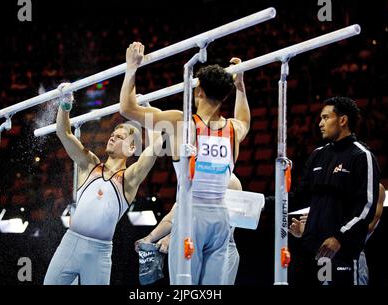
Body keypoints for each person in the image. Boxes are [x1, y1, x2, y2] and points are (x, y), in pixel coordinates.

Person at [120, 42, 250, 284]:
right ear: (225, 95)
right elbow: (244, 119)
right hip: (222, 218)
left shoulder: (181, 123)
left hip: (192, 216)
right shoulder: (234, 128)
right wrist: (240, 86)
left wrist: (131, 69)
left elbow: (127, 107)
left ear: (197, 90)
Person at [43, 83, 164, 285]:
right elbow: (64, 133)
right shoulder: (89, 164)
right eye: (112, 135)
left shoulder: (129, 178)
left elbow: (156, 146)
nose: (112, 137)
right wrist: (65, 105)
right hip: (70, 244)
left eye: (120, 137)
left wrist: (146, 112)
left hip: (99, 253)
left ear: (132, 147)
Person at [286, 96, 380, 285]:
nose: (320, 123)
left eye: (325, 117)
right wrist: (265, 203)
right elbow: (299, 197)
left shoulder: (362, 156)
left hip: (344, 252)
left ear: (343, 120)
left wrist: (339, 238)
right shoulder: (318, 155)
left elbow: (366, 207)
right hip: (320, 253)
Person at [134, 173, 243, 285]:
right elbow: (173, 216)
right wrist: (149, 238)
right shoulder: (190, 177)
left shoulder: (230, 181)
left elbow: (220, 222)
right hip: (192, 246)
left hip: (220, 248)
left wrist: (172, 236)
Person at [289, 183, 385, 285]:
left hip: (349, 256)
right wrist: (308, 230)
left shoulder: (375, 187)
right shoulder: (334, 185)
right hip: (325, 257)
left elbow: (367, 227)